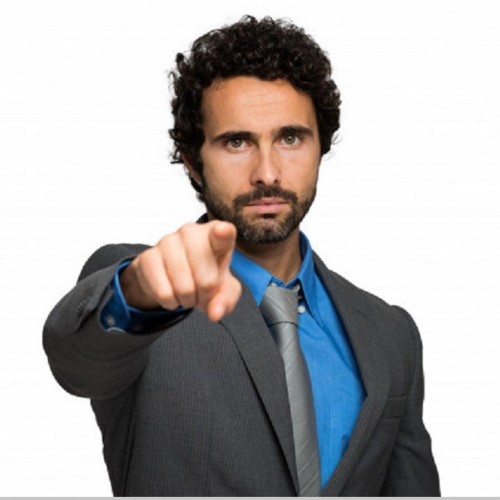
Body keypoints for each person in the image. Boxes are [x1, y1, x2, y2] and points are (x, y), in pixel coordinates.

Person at [43, 16, 440, 496]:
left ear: (321, 147)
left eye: (290, 138)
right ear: (193, 161)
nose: (267, 173)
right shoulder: (149, 292)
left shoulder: (390, 334)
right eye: (237, 142)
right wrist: (138, 294)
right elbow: (78, 360)